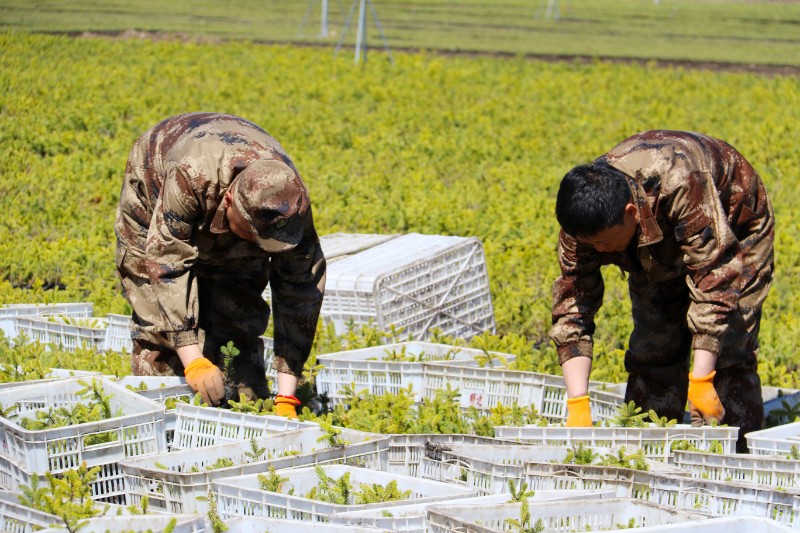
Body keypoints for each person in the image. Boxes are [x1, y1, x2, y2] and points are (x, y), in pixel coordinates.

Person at [551, 130, 774, 451]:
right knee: (654, 346)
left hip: (735, 224)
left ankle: (732, 452)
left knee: (729, 350)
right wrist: (577, 404)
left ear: (629, 213)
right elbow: (573, 308)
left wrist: (701, 380)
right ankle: (647, 450)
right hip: (653, 234)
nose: (598, 250)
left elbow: (714, 275)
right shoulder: (583, 225)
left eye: (603, 243)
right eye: (591, 244)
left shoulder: (682, 183)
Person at [115, 112, 326, 418]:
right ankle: (164, 414)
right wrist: (192, 359)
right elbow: (166, 262)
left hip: (225, 198)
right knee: (160, 325)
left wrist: (287, 397)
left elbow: (300, 293)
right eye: (253, 236)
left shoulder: (290, 204)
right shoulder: (191, 175)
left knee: (237, 318)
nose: (260, 247)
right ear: (229, 202)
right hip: (155, 182)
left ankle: (244, 411)